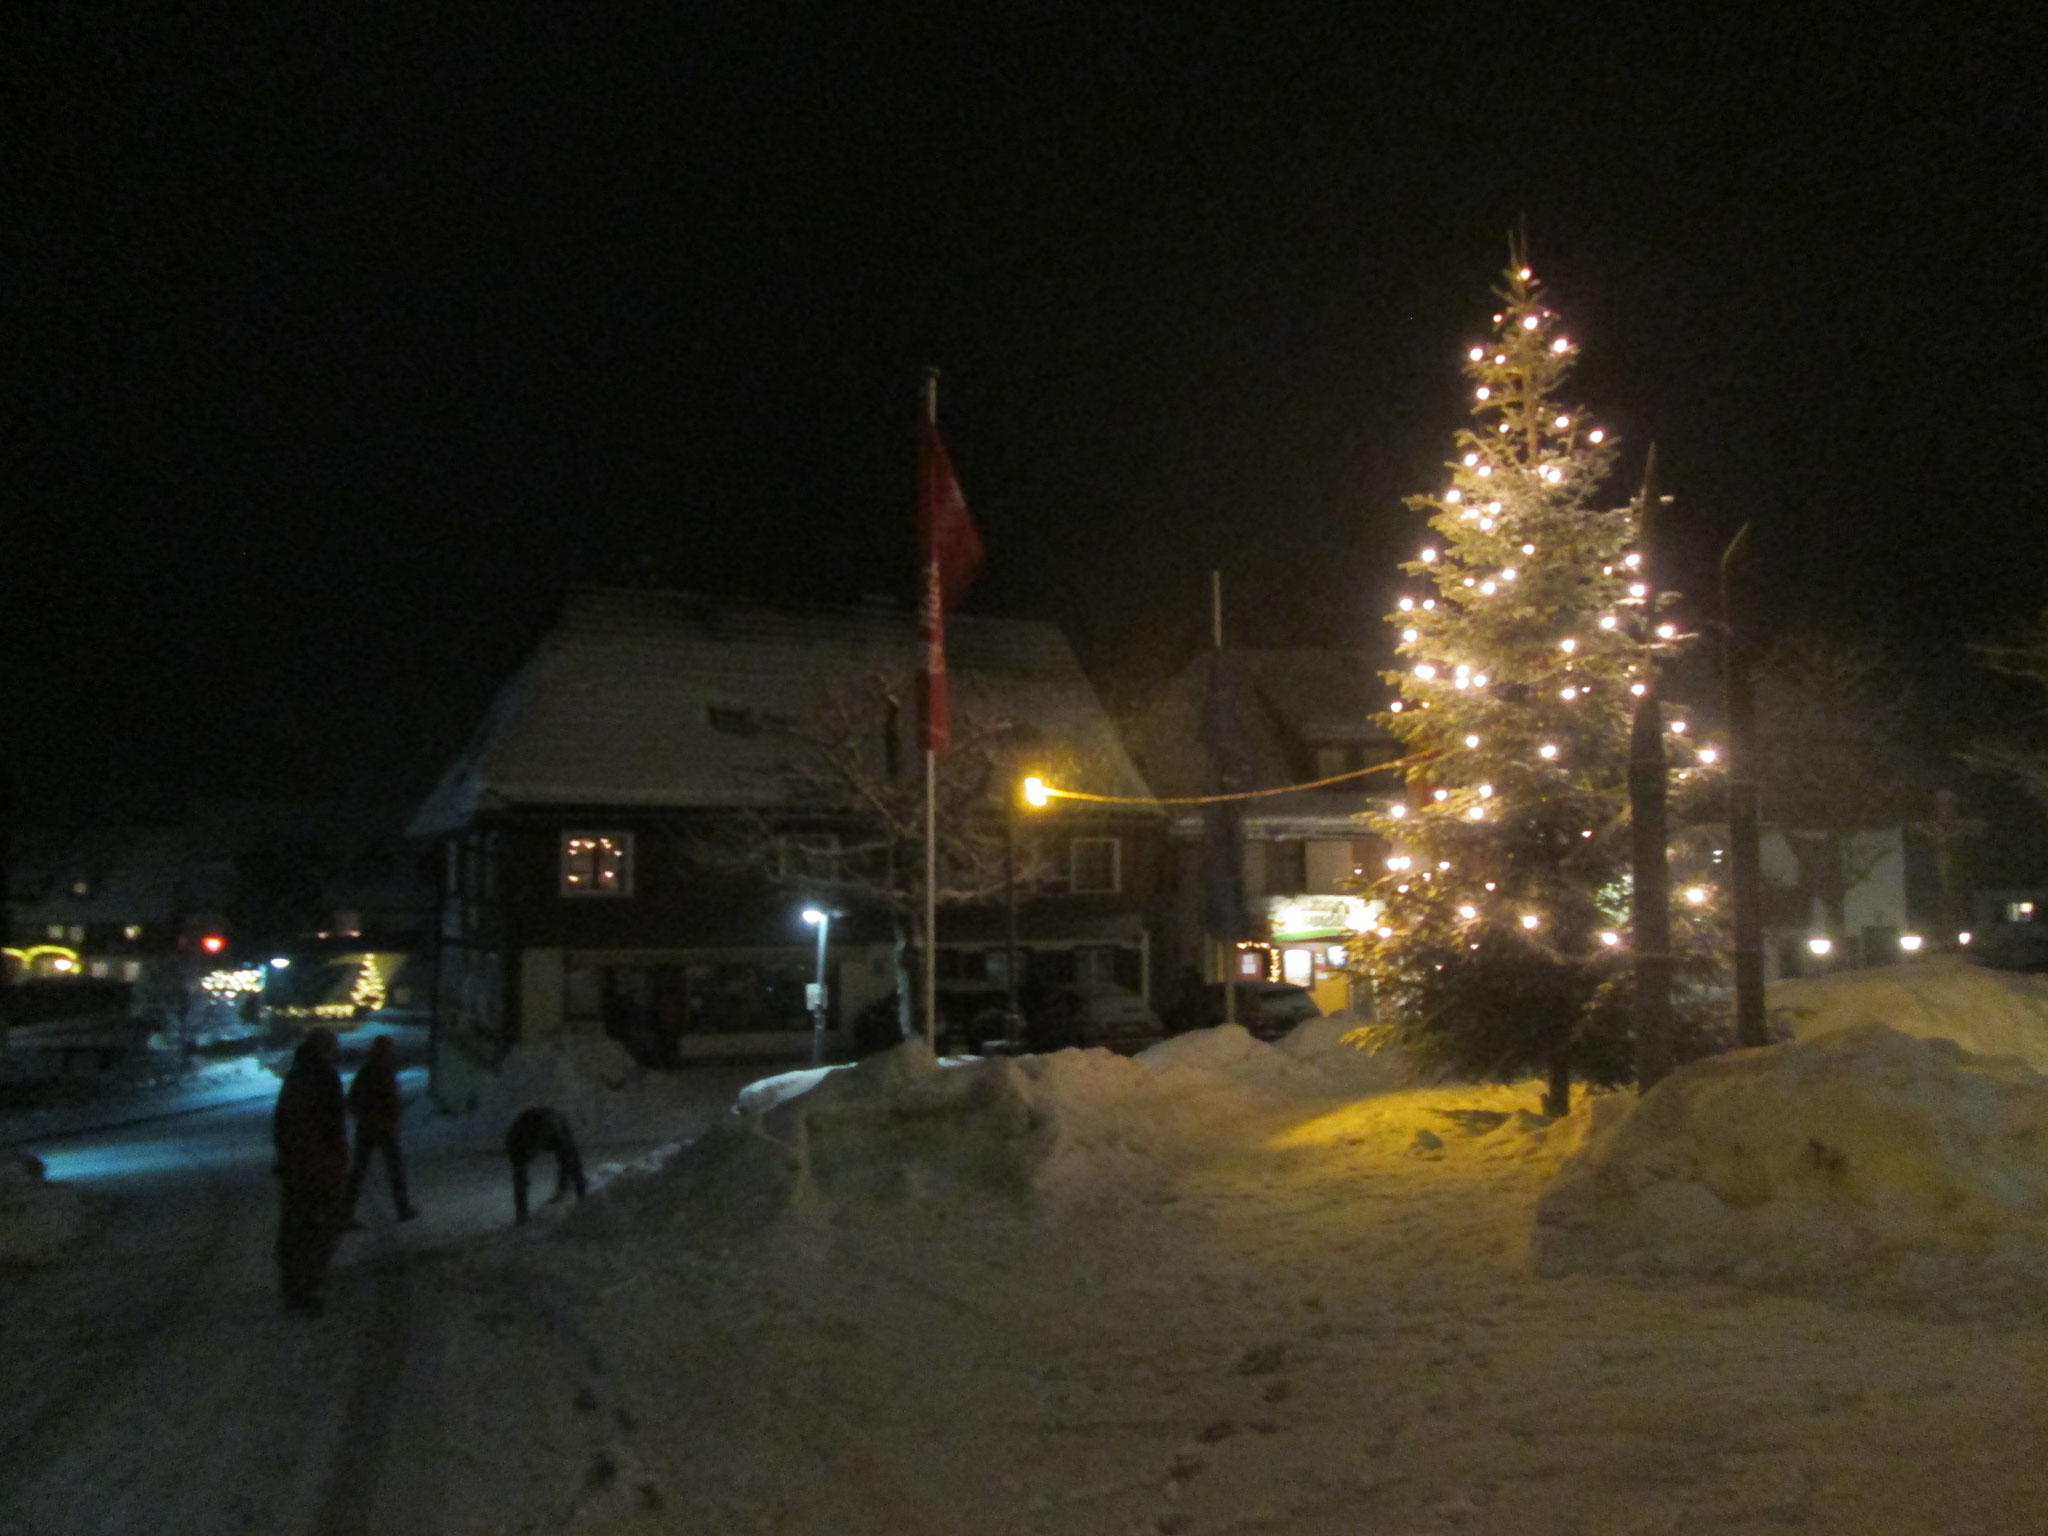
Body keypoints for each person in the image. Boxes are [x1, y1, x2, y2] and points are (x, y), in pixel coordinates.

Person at [272, 1028, 349, 1315]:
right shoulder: (324, 1077)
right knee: (320, 1226)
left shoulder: (297, 1075)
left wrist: (285, 1157)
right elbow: (332, 1125)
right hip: (317, 1165)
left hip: (296, 1165)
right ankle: (308, 1285)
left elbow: (281, 1123)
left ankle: (293, 1285)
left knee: (295, 1225)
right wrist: (335, 1160)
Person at [343, 1034, 417, 1225]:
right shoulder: (384, 1071)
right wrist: (388, 1116)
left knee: (360, 1172)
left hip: (369, 1127)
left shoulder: (368, 1071)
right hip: (382, 1127)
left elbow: (353, 1100)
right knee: (394, 1170)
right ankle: (402, 1208)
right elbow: (389, 1099)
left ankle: (346, 1213)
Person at [505, 1106, 587, 1224]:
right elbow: (519, 1178)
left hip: (551, 1125)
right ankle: (523, 1212)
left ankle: (564, 1188)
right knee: (520, 1175)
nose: (531, 1158)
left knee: (568, 1157)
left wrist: (581, 1193)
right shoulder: (513, 1142)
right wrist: (521, 1213)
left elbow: (573, 1160)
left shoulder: (553, 1129)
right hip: (533, 1130)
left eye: (531, 1154)